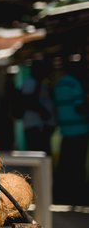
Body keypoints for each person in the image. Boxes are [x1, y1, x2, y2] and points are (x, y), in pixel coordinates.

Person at [53, 58, 89, 205]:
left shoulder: (60, 83)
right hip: (78, 130)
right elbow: (79, 107)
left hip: (66, 130)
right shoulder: (73, 83)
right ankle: (75, 198)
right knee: (77, 167)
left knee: (66, 166)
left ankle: (63, 196)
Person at [20, 59, 56, 155]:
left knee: (45, 153)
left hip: (42, 125)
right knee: (38, 154)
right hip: (34, 125)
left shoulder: (42, 83)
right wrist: (43, 112)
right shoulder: (30, 83)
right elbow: (29, 101)